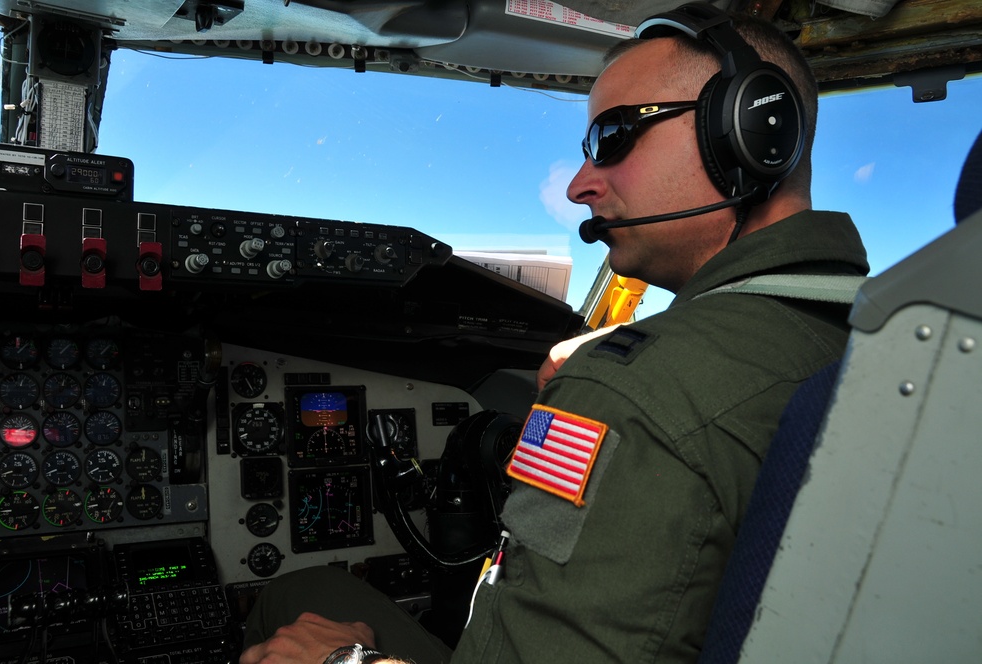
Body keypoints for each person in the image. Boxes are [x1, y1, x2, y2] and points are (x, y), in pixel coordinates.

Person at [239, 4, 869, 663]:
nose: (578, 185)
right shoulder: (869, 336)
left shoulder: (634, 392)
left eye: (614, 137)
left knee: (297, 601)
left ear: (751, 130)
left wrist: (348, 663)